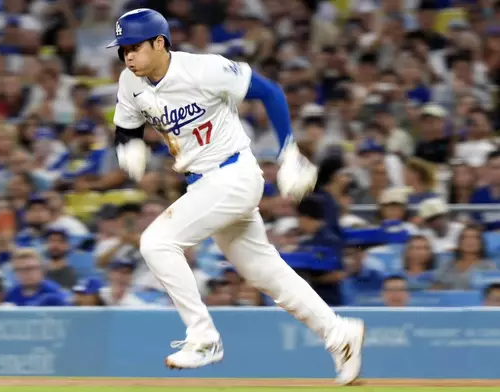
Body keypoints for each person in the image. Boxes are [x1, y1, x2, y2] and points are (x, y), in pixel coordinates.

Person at [107, 8, 364, 385]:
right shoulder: (130, 82)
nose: (127, 55)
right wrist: (128, 148)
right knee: (266, 272)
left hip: (234, 174)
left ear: (159, 43)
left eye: (134, 46)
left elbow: (270, 91)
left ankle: (203, 336)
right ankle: (339, 334)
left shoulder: (203, 69)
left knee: (157, 243)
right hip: (203, 184)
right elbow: (126, 125)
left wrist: (289, 151)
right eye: (122, 49)